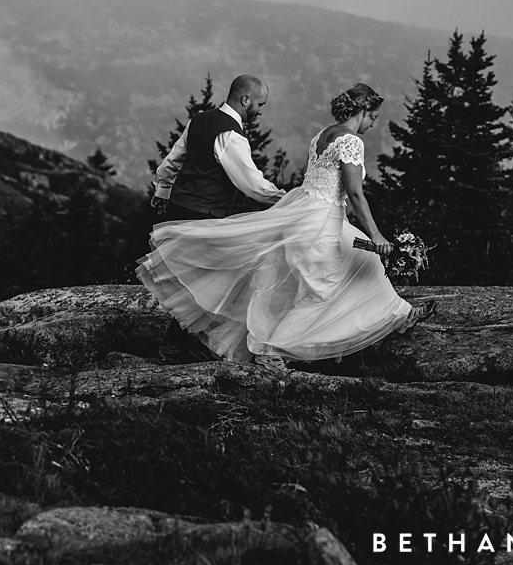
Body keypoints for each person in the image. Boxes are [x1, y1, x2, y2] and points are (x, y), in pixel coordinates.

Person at [138, 83, 436, 370]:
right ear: (366, 111)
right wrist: (375, 233)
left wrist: (162, 189)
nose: (374, 125)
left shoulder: (320, 135)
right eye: (375, 117)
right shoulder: (350, 141)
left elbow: (172, 159)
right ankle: (269, 349)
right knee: (317, 294)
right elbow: (352, 192)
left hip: (308, 216)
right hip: (316, 223)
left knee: (366, 260)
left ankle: (401, 314)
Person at [149, 74, 286, 362]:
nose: (260, 111)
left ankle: (188, 343)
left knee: (197, 280)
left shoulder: (199, 120)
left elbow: (172, 160)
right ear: (245, 99)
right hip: (204, 214)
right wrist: (286, 199)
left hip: (179, 208)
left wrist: (162, 191)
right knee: (212, 280)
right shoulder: (231, 135)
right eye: (259, 104)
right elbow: (251, 183)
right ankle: (176, 345)